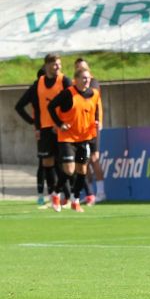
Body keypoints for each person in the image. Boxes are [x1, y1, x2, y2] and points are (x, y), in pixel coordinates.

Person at [14, 53, 72, 211]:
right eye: (54, 64)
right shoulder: (38, 84)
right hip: (46, 130)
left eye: (59, 64)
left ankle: (70, 195)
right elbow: (19, 106)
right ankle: (55, 196)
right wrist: (35, 123)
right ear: (46, 66)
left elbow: (74, 103)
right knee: (47, 164)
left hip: (63, 129)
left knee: (68, 167)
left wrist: (62, 123)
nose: (58, 67)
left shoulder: (65, 81)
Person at [48, 68, 102, 213]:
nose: (87, 80)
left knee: (82, 170)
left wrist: (96, 121)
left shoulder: (94, 94)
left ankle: (75, 200)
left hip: (84, 139)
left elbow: (95, 109)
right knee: (70, 170)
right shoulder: (68, 93)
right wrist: (59, 124)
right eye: (83, 78)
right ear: (76, 79)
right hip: (67, 138)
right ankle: (55, 193)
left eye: (88, 78)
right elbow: (51, 106)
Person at [73, 58, 107, 204]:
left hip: (91, 126)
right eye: (78, 69)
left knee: (94, 159)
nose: (81, 71)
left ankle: (101, 192)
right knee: (83, 161)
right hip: (79, 128)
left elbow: (93, 102)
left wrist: (98, 120)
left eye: (83, 68)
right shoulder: (75, 86)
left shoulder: (92, 83)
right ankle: (89, 193)